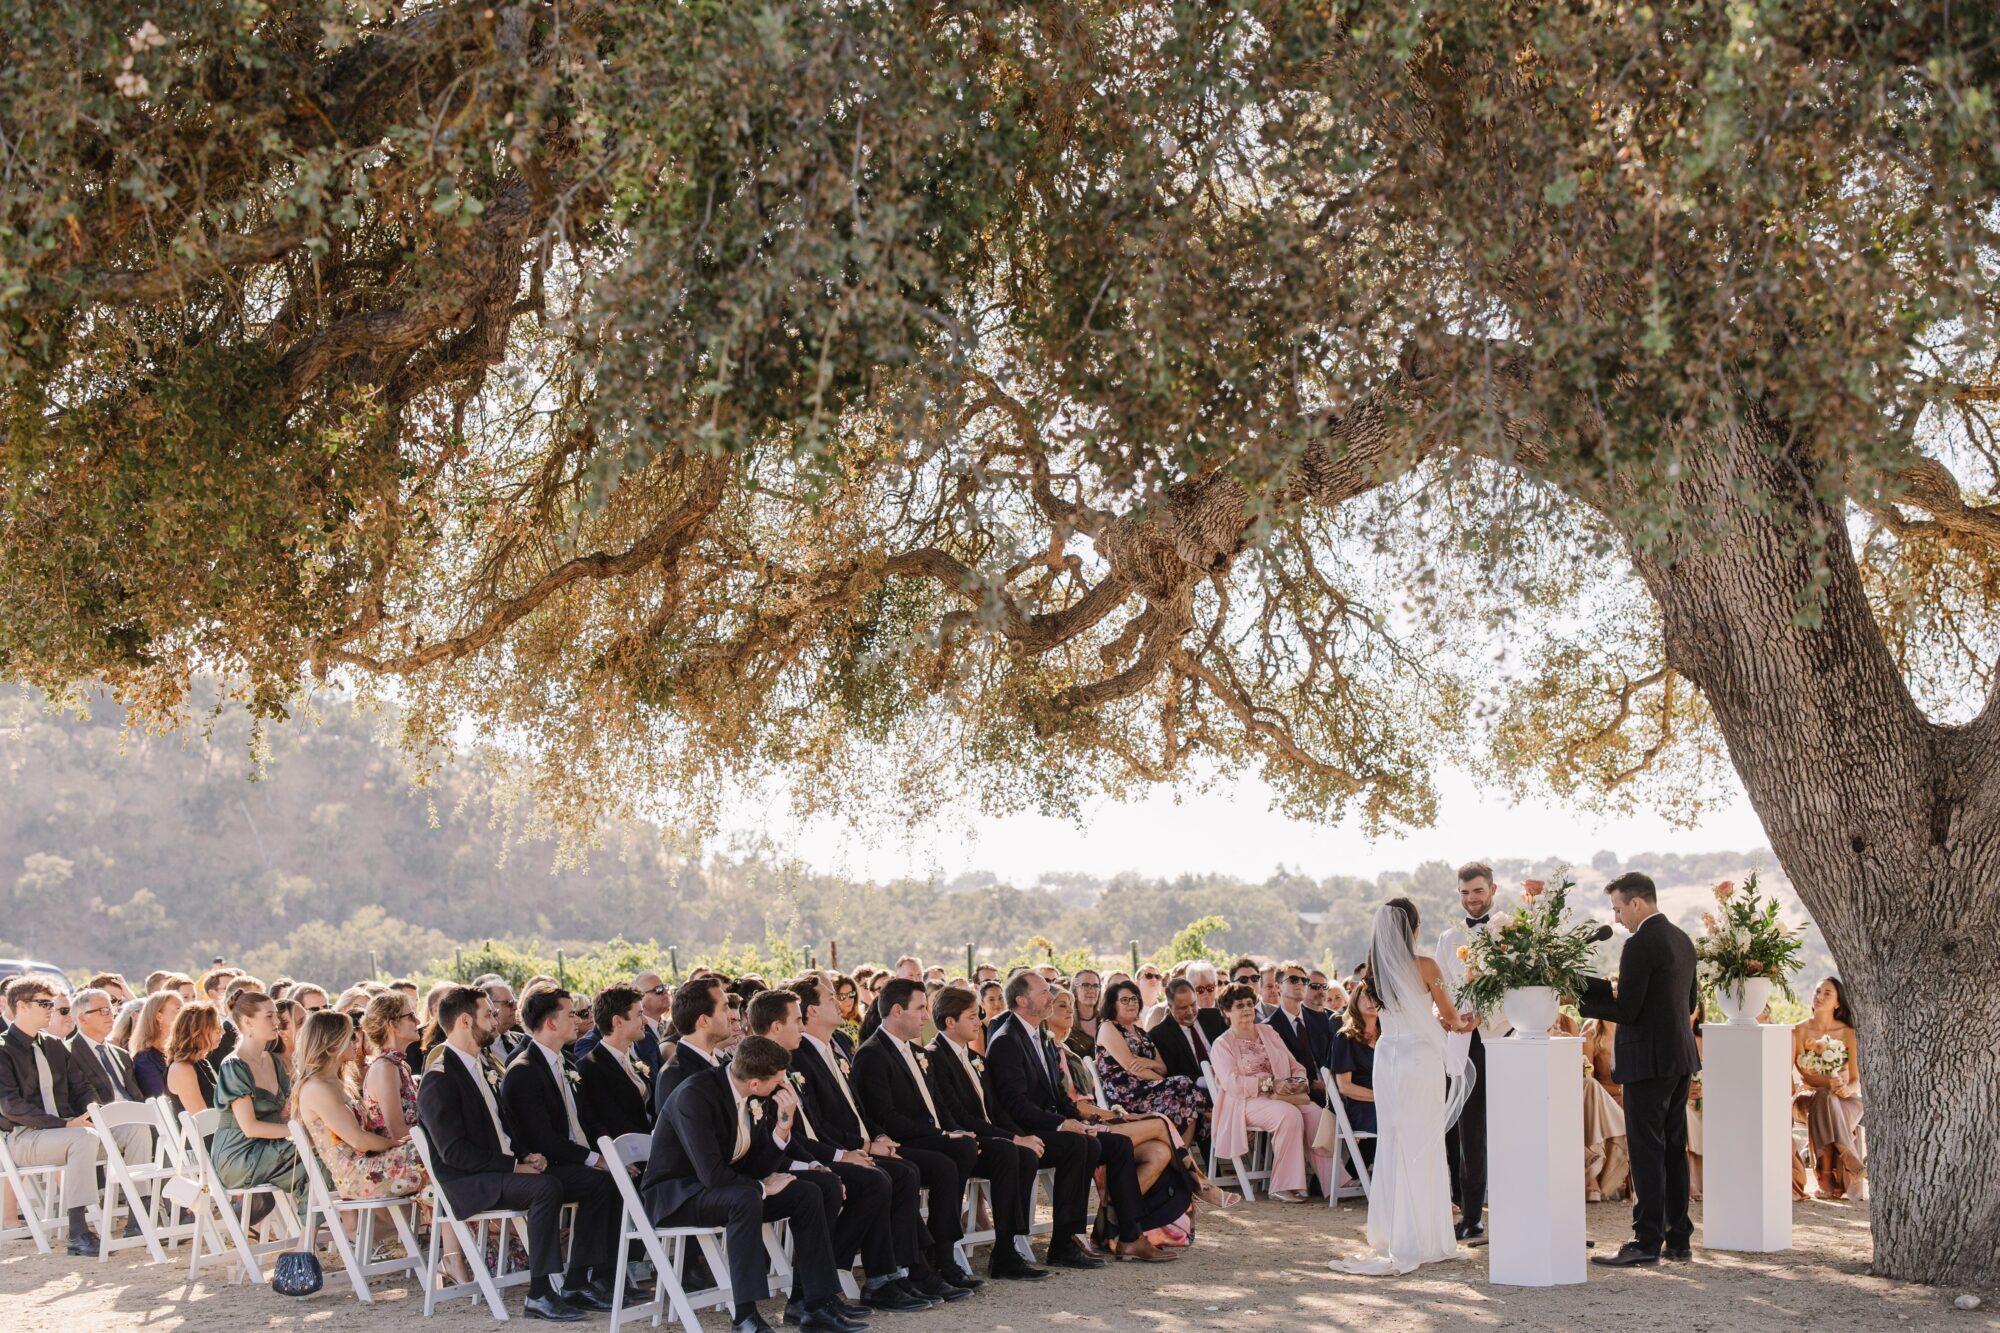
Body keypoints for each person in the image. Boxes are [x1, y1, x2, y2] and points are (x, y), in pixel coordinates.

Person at [640, 1034, 867, 1333]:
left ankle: (812, 1303)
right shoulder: (695, 1096)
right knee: (745, 1198)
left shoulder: (749, 1093)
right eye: (777, 1082)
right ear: (756, 1084)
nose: (782, 1088)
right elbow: (712, 1175)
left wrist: (782, 1129)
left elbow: (756, 1165)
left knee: (815, 1189)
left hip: (726, 1188)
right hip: (680, 1195)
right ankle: (745, 1317)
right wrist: (762, 1187)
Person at [745, 988, 954, 1310]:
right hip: (785, 1160)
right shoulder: (762, 1068)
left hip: (816, 1151)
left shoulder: (804, 1057)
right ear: (776, 1027)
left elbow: (821, 1119)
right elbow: (789, 1136)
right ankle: (869, 1277)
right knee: (877, 1178)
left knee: (898, 1171)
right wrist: (842, 1155)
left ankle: (895, 1272)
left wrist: (870, 1142)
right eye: (797, 1020)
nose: (801, 1027)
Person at [418, 985, 594, 1323]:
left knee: (595, 1182)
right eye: (489, 1015)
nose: (496, 1021)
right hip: (468, 1182)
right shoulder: (440, 1078)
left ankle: (580, 1282)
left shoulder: (480, 1066)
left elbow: (504, 1129)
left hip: (498, 1171)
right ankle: (540, 1294)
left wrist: (526, 1156)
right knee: (546, 1188)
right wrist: (513, 1167)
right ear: (466, 1021)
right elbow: (454, 1153)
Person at [982, 969, 1175, 1265]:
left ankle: (1129, 1237)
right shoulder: (1007, 1039)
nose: (1050, 996)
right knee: (1080, 1144)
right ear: (1021, 1000)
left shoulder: (1040, 1036)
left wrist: (1083, 1121)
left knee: (1118, 1144)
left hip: (1050, 1125)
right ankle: (1064, 1243)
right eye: (1043, 992)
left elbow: (1057, 1096)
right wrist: (1061, 1124)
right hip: (1026, 1132)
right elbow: (1015, 1105)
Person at [1328, 899, 1477, 1275]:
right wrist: (1471, 1019)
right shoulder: (1426, 965)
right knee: (1423, 1141)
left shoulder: (1376, 972)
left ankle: (1394, 1231)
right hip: (1418, 1060)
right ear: (1414, 928)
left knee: (1395, 1141)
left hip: (1388, 1057)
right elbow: (1452, 1018)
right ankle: (1423, 1235)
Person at [1579, 871, 1702, 1267]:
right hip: (1679, 1058)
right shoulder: (1682, 940)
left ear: (1637, 903)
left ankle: (1646, 1240)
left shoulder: (1638, 945)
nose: (1616, 918)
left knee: (1647, 1151)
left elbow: (1628, 1011)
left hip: (1647, 1062)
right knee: (1671, 1149)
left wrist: (1581, 993)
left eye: (1617, 908)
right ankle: (1678, 1238)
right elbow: (1685, 1005)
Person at [495, 985, 627, 1310]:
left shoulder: (567, 1062)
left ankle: (595, 1279)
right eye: (570, 1014)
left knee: (619, 1178)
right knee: (602, 1182)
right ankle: (577, 1281)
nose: (578, 1021)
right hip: (547, 1164)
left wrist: (608, 1151)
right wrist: (594, 1160)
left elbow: (589, 1118)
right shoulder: (523, 1071)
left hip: (574, 1157)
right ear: (551, 1023)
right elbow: (542, 1139)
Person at [850, 978, 984, 1287]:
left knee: (962, 1148)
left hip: (925, 1137)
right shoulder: (872, 1054)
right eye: (920, 1008)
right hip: (899, 1143)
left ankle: (943, 1254)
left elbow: (937, 1105)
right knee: (946, 1161)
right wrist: (941, 1137)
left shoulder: (916, 1051)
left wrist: (955, 1131)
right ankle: (937, 1255)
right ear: (897, 1011)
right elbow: (884, 1117)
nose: (926, 1016)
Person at [0, 977, 147, 1255]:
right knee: (82, 1139)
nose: (51, 1009)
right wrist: (65, 1124)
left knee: (133, 1129)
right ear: (20, 1006)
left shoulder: (56, 1046)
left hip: (69, 1133)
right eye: (44, 1004)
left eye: (51, 1004)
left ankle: (138, 1217)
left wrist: (89, 1114)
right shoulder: (2, 1049)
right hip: (23, 1139)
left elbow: (83, 1089)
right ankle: (78, 1232)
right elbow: (10, 1106)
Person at [925, 987, 1049, 1281]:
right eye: (971, 1016)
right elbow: (956, 1115)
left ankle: (1006, 1248)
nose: (979, 1021)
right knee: (1008, 1150)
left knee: (1025, 1153)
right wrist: (1011, 1139)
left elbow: (995, 1108)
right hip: (960, 1139)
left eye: (979, 1015)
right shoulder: (934, 1056)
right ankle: (989, 1252)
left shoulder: (974, 1056)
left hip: (987, 1136)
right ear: (950, 1022)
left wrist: (1019, 1135)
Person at [1434, 860, 1508, 1242]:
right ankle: (1471, 1216)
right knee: (1468, 1135)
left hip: (1504, 1041)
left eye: (1477, 891)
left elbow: (1518, 989)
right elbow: (1440, 991)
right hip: (1462, 1045)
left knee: (1509, 1128)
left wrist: (1484, 1015)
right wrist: (1445, 1018)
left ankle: (1516, 1211)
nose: (1471, 899)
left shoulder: (1512, 930)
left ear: (1492, 890)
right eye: (1464, 892)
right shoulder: (1448, 940)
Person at [1210, 983, 1333, 1203]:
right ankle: (1282, 1185)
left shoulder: (1267, 1031)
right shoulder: (1222, 1044)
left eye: (1249, 1003)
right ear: (1227, 1011)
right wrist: (1269, 1083)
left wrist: (1299, 1081)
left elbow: (1294, 1064)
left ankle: (1333, 1180)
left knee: (1314, 1111)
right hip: (1244, 1102)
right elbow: (1233, 1083)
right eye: (1239, 1005)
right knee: (1288, 1115)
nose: (1247, 1009)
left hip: (1282, 1095)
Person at [293, 1010, 425, 1201]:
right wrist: (395, 1143)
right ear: (332, 1042)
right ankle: (453, 1227)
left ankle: (451, 1225)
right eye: (351, 1036)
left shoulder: (336, 1082)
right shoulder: (317, 1088)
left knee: (434, 1150)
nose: (356, 1042)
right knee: (430, 1154)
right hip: (359, 1175)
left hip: (372, 1164)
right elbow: (358, 1139)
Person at [210, 990, 311, 1224]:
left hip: (271, 1148)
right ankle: (324, 1230)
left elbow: (284, 1115)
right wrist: (301, 1132)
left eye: (276, 1015)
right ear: (247, 1022)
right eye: (269, 1016)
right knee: (313, 1155)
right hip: (239, 1155)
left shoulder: (273, 1061)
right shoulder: (233, 1066)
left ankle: (315, 1232)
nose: (277, 1022)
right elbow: (250, 1127)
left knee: (322, 1155)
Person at [1094, 978, 1206, 1134]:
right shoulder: (1108, 1027)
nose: (1132, 1003)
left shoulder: (1142, 1033)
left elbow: (1163, 1068)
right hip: (1126, 1094)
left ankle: (1183, 1154)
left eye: (1134, 999)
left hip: (1149, 1090)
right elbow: (1132, 1067)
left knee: (1187, 1098)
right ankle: (1190, 1144)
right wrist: (1167, 1083)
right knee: (1185, 1086)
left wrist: (1150, 1063)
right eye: (1125, 1000)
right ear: (1113, 1004)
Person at [1793, 976, 1865, 1199]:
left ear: (1837, 1003)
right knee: (1825, 1097)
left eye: (1827, 994)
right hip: (1807, 1099)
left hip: (1843, 1100)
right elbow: (1800, 1076)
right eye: (1817, 991)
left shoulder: (1848, 1033)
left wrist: (1847, 1089)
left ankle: (1826, 1178)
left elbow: (1855, 1079)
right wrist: (1826, 1084)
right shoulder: (1799, 1031)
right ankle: (1848, 1158)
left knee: (1831, 1100)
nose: (1819, 997)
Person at [576, 983, 655, 1143]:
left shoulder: (633, 1060)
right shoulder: (590, 1067)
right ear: (618, 1021)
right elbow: (606, 1121)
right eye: (639, 1014)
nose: (645, 1020)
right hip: (630, 1154)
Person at [1264, 962, 1333, 1104]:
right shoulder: (1268, 1028)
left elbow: (1330, 1057)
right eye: (1293, 980)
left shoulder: (1321, 1020)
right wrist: (1314, 1084)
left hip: (1331, 1087)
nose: (1300, 983)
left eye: (1304, 980)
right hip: (1297, 1096)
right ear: (1278, 987)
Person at [657, 975, 732, 1105]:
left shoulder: (722, 1061)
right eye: (725, 1008)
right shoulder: (676, 1074)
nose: (731, 1015)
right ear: (704, 1020)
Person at [1328, 983, 1379, 1171]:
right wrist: (1382, 1098)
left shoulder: (1390, 1036)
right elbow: (1345, 1087)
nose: (1372, 1001)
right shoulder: (1345, 1038)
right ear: (1355, 1002)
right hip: (1361, 1105)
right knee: (1396, 1117)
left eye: (1375, 996)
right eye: (1365, 996)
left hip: (1389, 1101)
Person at [68, 986, 142, 1105]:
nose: (110, 1015)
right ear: (82, 1018)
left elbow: (136, 1095)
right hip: (100, 1119)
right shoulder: (67, 1052)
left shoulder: (122, 1055)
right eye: (103, 1010)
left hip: (137, 1117)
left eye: (111, 1010)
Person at [1146, 980, 1213, 1092]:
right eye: (1183, 1008)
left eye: (1193, 1004)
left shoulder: (1214, 1017)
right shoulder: (1159, 1036)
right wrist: (1205, 1081)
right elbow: (1172, 1074)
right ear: (1170, 1006)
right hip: (1194, 1093)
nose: (1190, 1011)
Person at [164, 1000, 223, 1118]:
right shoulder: (182, 1068)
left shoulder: (202, 1062)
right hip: (204, 1134)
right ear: (197, 1031)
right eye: (216, 1028)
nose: (222, 1032)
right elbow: (203, 1119)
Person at [128, 989, 184, 1097]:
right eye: (178, 1009)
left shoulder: (187, 1049)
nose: (185, 1014)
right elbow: (163, 1100)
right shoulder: (144, 1059)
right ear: (159, 1016)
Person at [1065, 972, 1102, 1061]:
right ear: (1075, 990)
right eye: (1085, 985)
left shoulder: (1107, 1020)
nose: (1092, 990)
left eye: (1096, 986)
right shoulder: (1066, 1022)